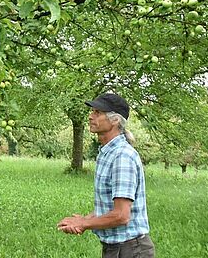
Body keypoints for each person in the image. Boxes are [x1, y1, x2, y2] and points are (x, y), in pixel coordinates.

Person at [57, 92, 155, 258]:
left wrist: (84, 224)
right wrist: (83, 219)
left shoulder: (122, 156)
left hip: (131, 250)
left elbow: (121, 215)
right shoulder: (107, 153)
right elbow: (108, 209)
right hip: (116, 249)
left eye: (97, 113)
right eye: (92, 111)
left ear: (115, 120)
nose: (90, 116)